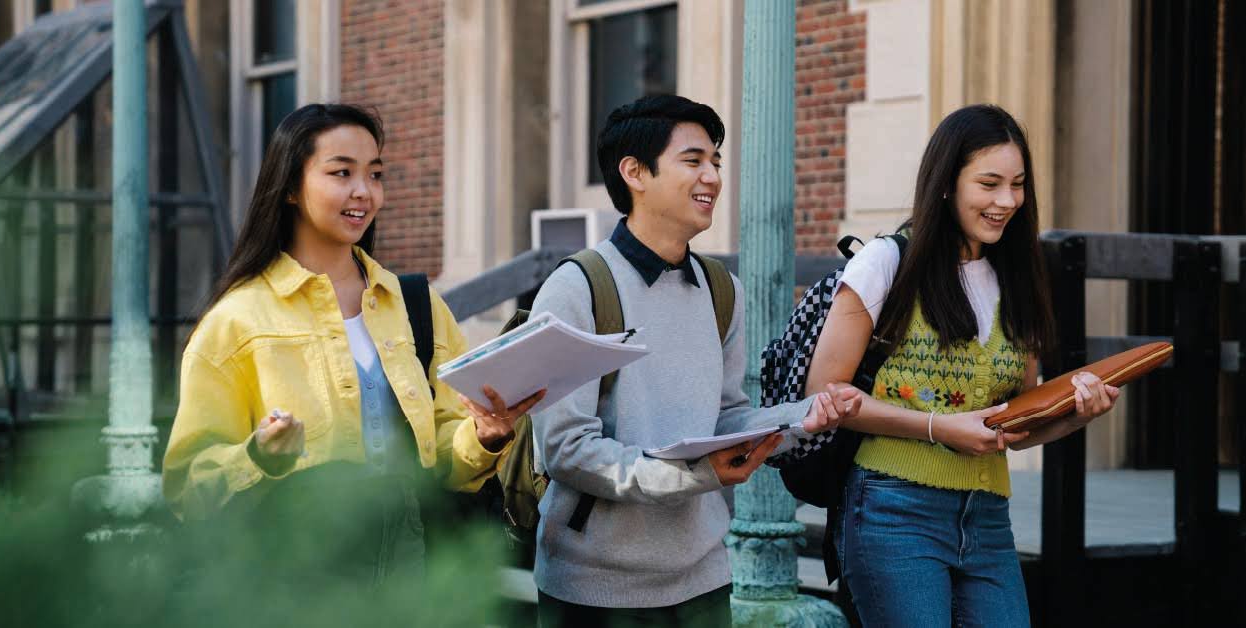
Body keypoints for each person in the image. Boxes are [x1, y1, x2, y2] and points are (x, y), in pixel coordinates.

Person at [161, 104, 543, 586]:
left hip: (413, 567)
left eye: (375, 174)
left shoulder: (416, 305)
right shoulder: (237, 321)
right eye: (342, 173)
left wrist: (487, 434)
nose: (364, 192)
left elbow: (443, 459)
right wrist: (257, 457)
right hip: (293, 577)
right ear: (292, 188)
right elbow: (188, 486)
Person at [528, 94, 862, 628]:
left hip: (704, 577)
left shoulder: (722, 290)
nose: (712, 176)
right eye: (693, 160)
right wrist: (686, 476)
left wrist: (801, 418)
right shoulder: (576, 287)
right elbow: (566, 449)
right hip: (595, 588)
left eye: (716, 161)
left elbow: (724, 418)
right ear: (634, 172)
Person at [801, 104, 1120, 627]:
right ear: (947, 184)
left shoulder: (1018, 274)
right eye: (989, 183)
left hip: (988, 517)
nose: (1006, 201)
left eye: (1017, 185)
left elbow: (1013, 424)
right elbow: (825, 393)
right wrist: (938, 427)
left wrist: (1078, 412)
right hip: (892, 511)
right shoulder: (886, 262)